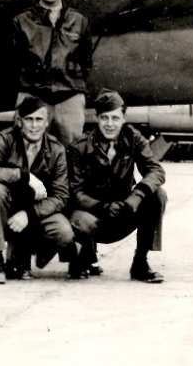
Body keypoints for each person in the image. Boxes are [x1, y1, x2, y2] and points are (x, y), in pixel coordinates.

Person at [68, 91, 167, 282]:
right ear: (96, 118)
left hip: (123, 211)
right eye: (104, 118)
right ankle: (83, 255)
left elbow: (156, 171)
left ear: (124, 118)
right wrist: (102, 206)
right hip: (93, 215)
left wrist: (135, 197)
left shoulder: (133, 138)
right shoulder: (80, 146)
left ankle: (140, 262)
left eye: (115, 118)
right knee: (75, 216)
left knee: (157, 195)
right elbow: (75, 191)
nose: (110, 124)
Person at [0, 95, 75, 284]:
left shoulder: (56, 149)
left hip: (35, 214)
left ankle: (24, 256)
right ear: (19, 121)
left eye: (39, 120)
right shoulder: (5, 140)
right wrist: (23, 175)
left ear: (47, 123)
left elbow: (61, 196)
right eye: (29, 119)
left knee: (64, 232)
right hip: (7, 210)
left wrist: (29, 214)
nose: (34, 125)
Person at [10, 0, 93, 147]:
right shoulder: (21, 22)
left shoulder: (79, 21)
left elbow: (86, 63)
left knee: (72, 155)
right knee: (27, 153)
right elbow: (13, 64)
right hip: (33, 98)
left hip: (69, 100)